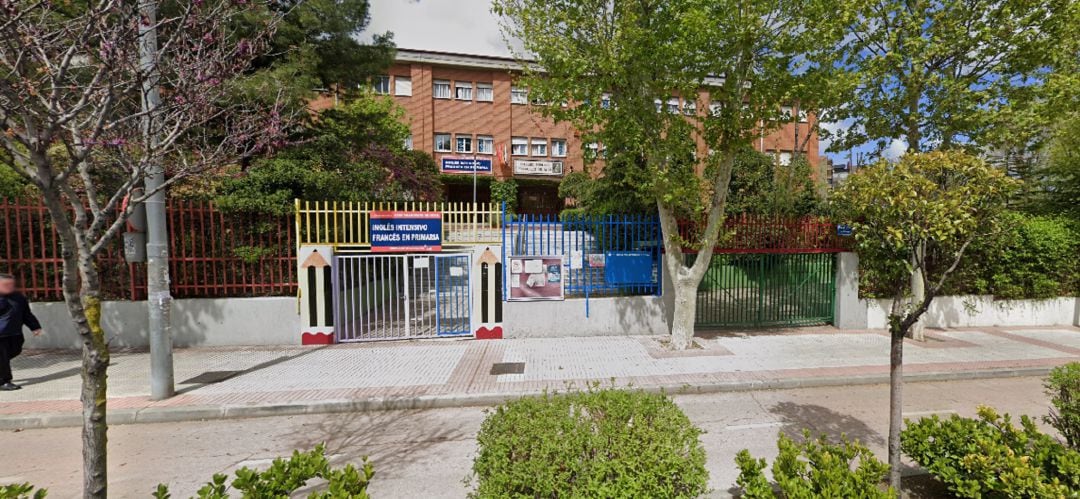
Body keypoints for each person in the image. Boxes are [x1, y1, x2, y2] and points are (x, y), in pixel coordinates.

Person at [0, 273, 43, 391]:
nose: (9, 287)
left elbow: (26, 314)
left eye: (11, 284)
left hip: (15, 333)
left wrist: (35, 327)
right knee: (2, 357)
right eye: (5, 285)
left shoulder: (18, 297)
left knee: (15, 350)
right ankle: (4, 381)